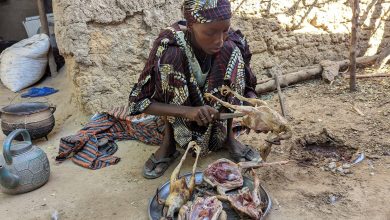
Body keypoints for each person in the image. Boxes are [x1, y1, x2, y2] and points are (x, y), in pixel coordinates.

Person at [128, 0, 261, 179]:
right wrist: (189, 111)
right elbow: (139, 103)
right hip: (180, 115)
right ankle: (169, 142)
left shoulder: (231, 41)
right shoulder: (169, 44)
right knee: (170, 59)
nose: (219, 40)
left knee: (232, 49)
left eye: (224, 30)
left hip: (217, 116)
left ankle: (228, 137)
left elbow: (246, 88)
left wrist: (255, 109)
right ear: (190, 26)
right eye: (210, 33)